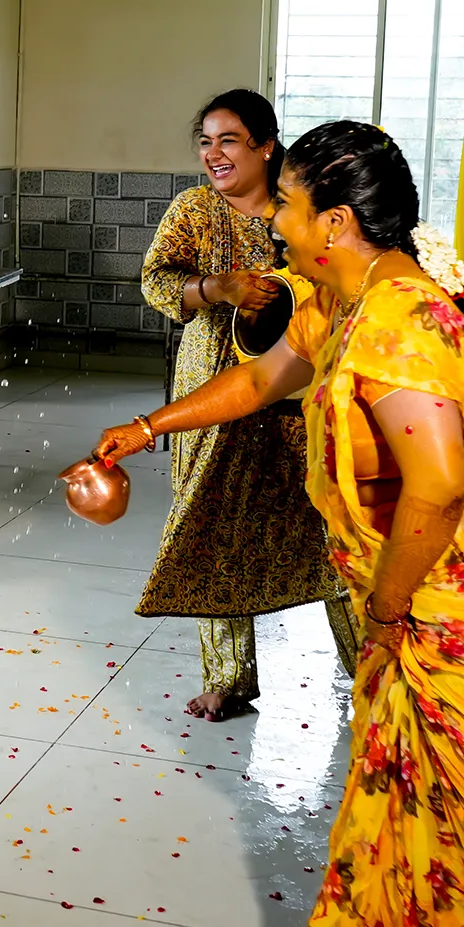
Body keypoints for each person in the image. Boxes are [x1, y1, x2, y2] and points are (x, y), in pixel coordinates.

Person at [95, 121, 464, 927]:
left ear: (334, 221)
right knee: (395, 804)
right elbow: (262, 380)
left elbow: (439, 487)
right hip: (426, 594)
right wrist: (147, 428)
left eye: (288, 206)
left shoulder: (401, 321)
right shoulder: (341, 296)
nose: (275, 223)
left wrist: (386, 606)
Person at [138, 90, 359, 722]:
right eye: (205, 141)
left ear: (265, 146)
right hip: (211, 383)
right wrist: (214, 288)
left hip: (300, 386)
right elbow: (155, 281)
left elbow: (344, 276)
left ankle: (372, 666)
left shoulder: (300, 209)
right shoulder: (194, 211)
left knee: (329, 519)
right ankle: (228, 679)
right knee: (211, 517)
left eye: (229, 140)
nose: (214, 154)